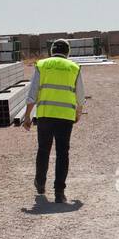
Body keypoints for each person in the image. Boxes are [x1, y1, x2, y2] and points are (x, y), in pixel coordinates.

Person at [21, 40, 83, 202]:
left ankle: (40, 182)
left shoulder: (42, 65)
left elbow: (33, 92)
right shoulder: (74, 67)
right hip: (65, 117)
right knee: (63, 153)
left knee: (43, 150)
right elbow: (80, 96)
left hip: (45, 116)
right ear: (68, 52)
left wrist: (27, 115)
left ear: (51, 51)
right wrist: (79, 112)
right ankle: (59, 192)